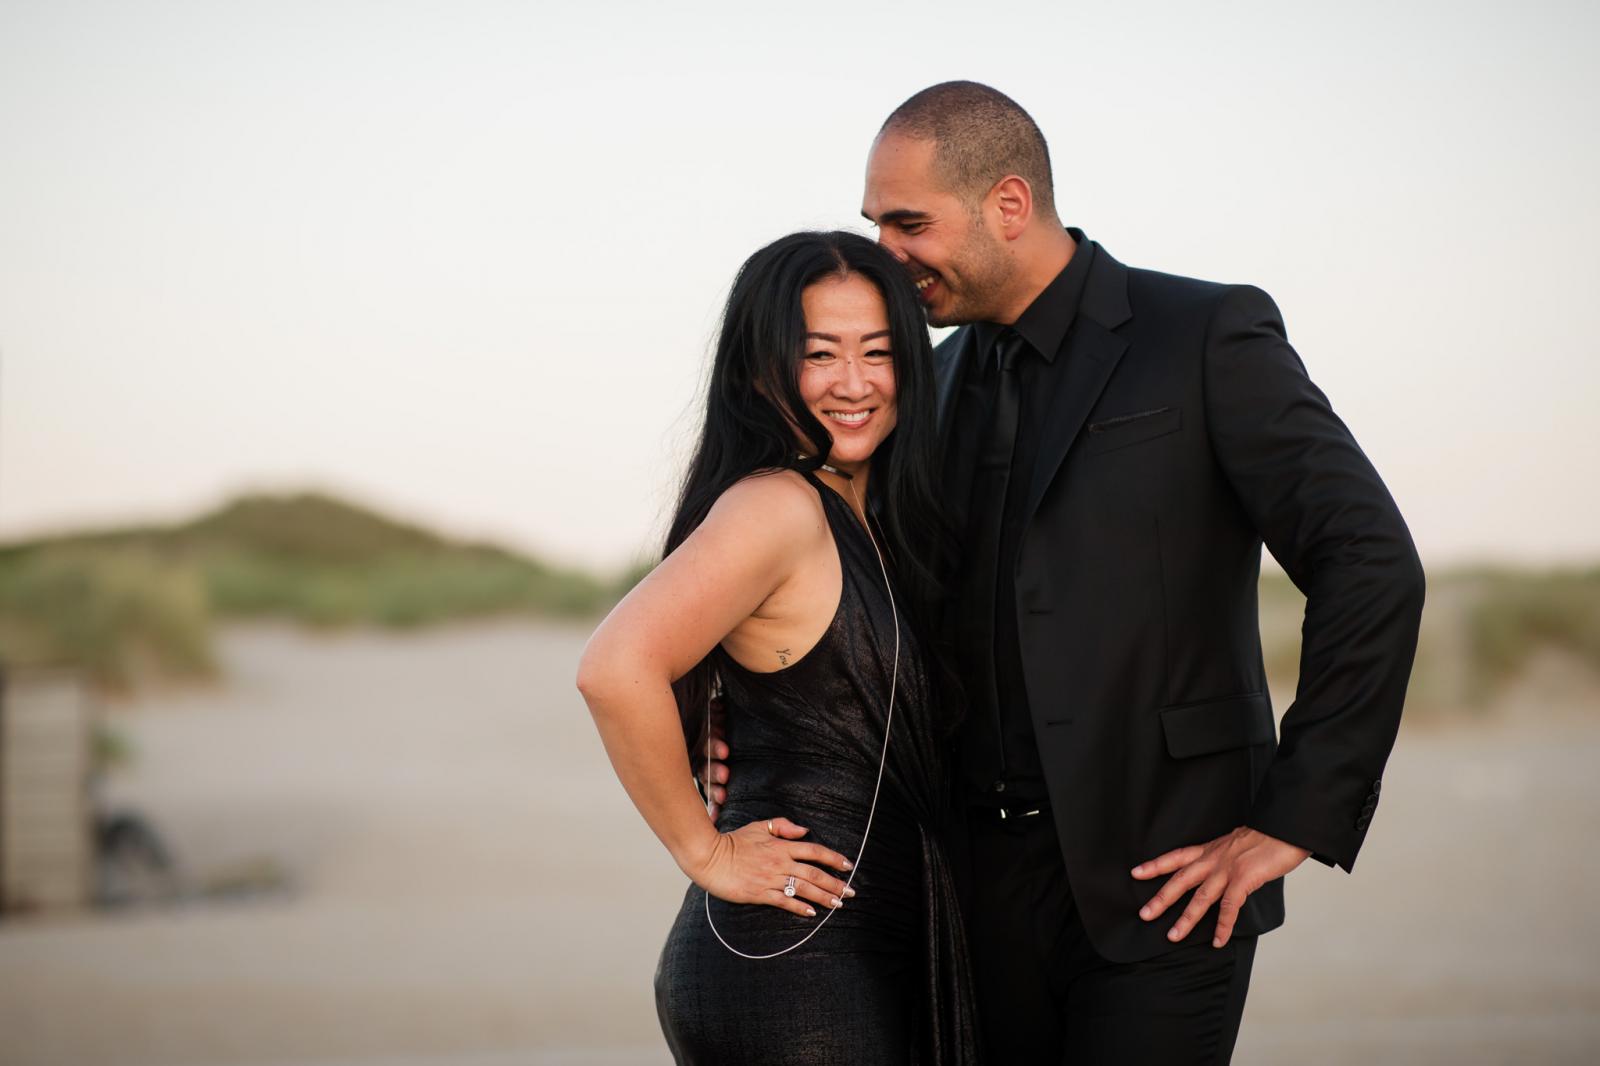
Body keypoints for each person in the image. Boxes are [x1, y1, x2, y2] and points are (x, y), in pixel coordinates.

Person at [707, 82, 1426, 1062]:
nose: (885, 252)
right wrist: (728, 733)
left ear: (1008, 204)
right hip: (966, 889)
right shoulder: (931, 383)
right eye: (875, 223)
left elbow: (1369, 562)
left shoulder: (1203, 335)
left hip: (1169, 882)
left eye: (908, 222)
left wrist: (1292, 816)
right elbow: (842, 591)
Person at [576, 230, 979, 1064]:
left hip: (853, 951)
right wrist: (706, 850)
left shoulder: (873, 516)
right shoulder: (778, 508)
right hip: (795, 966)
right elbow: (616, 669)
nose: (856, 382)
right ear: (763, 370)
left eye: (878, 351)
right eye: (820, 354)